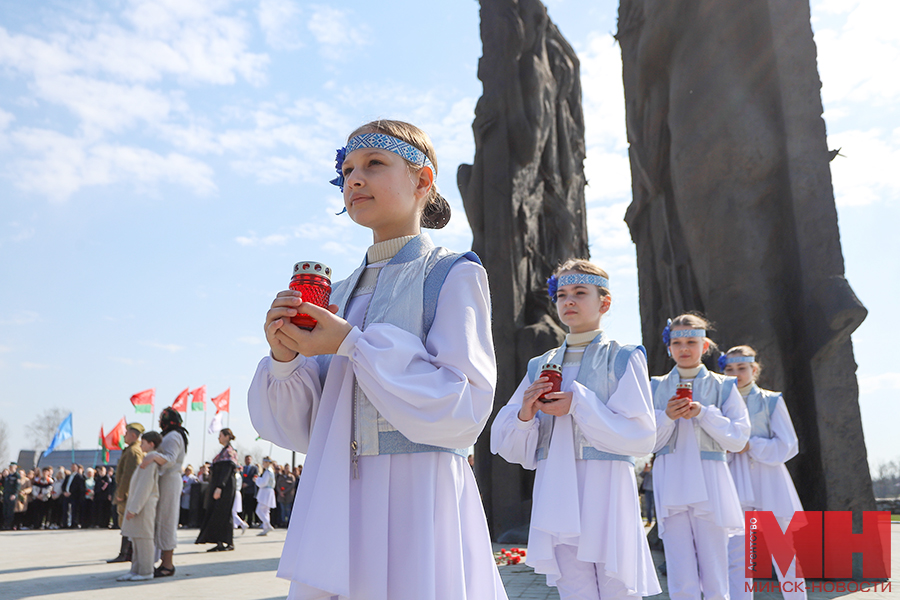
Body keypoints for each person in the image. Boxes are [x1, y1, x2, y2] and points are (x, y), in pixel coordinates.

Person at [248, 119, 505, 600]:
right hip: (337, 494)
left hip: (418, 492)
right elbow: (304, 428)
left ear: (423, 180)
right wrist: (285, 361)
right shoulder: (338, 293)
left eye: (374, 164)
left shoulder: (451, 273)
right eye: (346, 170)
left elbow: (464, 406)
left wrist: (352, 344)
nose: (355, 179)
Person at [492, 259, 660, 600]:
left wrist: (579, 404)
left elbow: (642, 435)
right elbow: (506, 440)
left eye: (580, 293)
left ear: (605, 302)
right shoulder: (541, 364)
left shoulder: (623, 358)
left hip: (606, 485)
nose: (569, 301)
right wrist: (526, 411)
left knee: (618, 586)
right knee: (574, 587)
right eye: (562, 294)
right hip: (556, 487)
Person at [651, 313, 751, 600]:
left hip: (710, 479)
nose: (684, 348)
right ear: (669, 346)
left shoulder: (724, 386)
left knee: (715, 569)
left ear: (705, 345)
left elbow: (739, 438)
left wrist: (705, 413)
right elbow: (645, 439)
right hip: (670, 478)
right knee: (680, 569)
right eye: (677, 342)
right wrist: (667, 417)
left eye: (691, 342)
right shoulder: (654, 386)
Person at [722, 346, 806, 600]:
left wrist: (751, 445)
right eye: (730, 369)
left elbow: (788, 444)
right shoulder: (720, 403)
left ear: (754, 370)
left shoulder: (771, 401)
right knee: (737, 554)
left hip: (769, 483)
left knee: (783, 552)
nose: (736, 373)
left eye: (742, 368)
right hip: (735, 482)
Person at [140, 407, 188, 578]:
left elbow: (170, 458)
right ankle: (161, 561)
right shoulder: (170, 435)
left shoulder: (174, 436)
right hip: (165, 480)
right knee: (161, 520)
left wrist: (152, 456)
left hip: (170, 480)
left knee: (167, 520)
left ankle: (168, 564)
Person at [118, 431, 164, 582]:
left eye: (143, 443)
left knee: (144, 539)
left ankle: (146, 571)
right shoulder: (147, 459)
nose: (141, 445)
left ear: (151, 444)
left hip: (144, 505)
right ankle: (135, 569)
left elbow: (145, 487)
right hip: (140, 504)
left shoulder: (150, 461)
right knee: (136, 538)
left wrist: (134, 508)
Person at [196, 428, 239, 551]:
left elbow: (226, 472)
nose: (219, 438)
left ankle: (227, 542)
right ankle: (221, 541)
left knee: (224, 512)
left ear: (226, 436)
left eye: (220, 435)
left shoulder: (230, 452)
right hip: (220, 486)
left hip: (225, 487)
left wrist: (220, 487)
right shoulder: (223, 452)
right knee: (219, 513)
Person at [109, 423, 145, 563]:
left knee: (126, 523)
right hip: (128, 493)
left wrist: (122, 492)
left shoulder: (133, 452)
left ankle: (125, 553)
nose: (124, 436)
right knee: (125, 523)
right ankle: (126, 552)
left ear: (134, 435)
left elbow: (129, 475)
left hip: (128, 494)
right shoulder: (131, 450)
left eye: (127, 433)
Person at [254, 457, 276, 536]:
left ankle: (267, 524)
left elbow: (263, 483)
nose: (263, 464)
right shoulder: (270, 471)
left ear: (267, 463)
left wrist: (256, 480)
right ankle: (266, 528)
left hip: (265, 492)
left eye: (264, 462)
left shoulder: (267, 472)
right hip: (268, 492)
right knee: (266, 511)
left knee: (259, 510)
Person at [276, 462, 296, 527]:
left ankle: (288, 522)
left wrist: (284, 492)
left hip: (288, 496)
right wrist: (280, 492)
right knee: (282, 510)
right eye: (286, 468)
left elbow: (292, 486)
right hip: (281, 496)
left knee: (288, 510)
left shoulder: (291, 477)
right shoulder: (281, 477)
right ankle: (283, 522)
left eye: (288, 468)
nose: (287, 469)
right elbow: (277, 485)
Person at [240, 455, 258, 527]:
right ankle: (242, 521)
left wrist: (248, 484)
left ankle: (250, 522)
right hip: (243, 491)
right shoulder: (243, 468)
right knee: (243, 507)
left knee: (250, 507)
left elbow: (255, 478)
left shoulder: (254, 468)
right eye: (246, 459)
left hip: (250, 490)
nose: (248, 460)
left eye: (249, 459)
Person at [2, 462, 19, 530]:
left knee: (10, 511)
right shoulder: (8, 476)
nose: (10, 468)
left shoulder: (16, 476)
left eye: (12, 467)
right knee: (5, 511)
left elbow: (17, 486)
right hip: (6, 495)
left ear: (15, 467)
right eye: (10, 467)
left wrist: (15, 494)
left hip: (11, 495)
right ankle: (5, 524)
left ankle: (9, 525)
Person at [638, 461, 654, 526]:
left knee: (652, 506)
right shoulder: (648, 468)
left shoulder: (655, 468)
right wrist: (645, 470)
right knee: (648, 506)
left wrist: (649, 471)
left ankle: (653, 521)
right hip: (647, 490)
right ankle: (649, 521)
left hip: (654, 489)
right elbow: (641, 475)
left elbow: (656, 476)